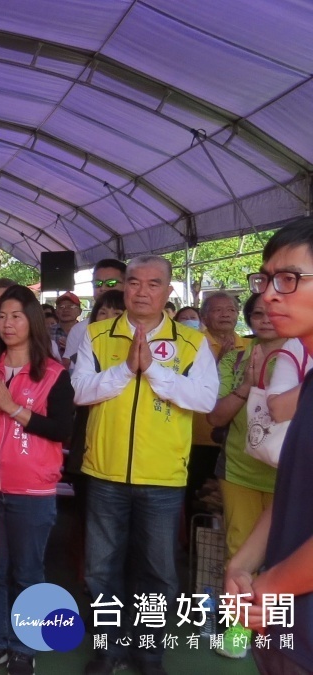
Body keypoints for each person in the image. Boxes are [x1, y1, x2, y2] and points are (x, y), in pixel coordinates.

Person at [73, 255, 218, 675]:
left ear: (168, 292)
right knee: (102, 569)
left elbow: (205, 400)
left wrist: (155, 373)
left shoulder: (192, 343)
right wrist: (125, 370)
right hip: (104, 472)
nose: (141, 291)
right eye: (134, 282)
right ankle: (107, 648)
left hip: (163, 475)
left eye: (153, 284)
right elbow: (81, 390)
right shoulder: (97, 334)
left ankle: (149, 652)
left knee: (158, 572)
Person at [225, 223, 313, 675]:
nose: (269, 296)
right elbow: (295, 491)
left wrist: (268, 584)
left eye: (290, 279)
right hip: (284, 628)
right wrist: (242, 563)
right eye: (265, 279)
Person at [0, 286, 75, 675]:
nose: (7, 323)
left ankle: (24, 647)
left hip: (32, 491)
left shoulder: (53, 374)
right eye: (2, 315)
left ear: (32, 320)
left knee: (29, 572)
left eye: (16, 315)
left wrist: (14, 409)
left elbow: (62, 429)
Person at [207, 294, 281, 562]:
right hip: (238, 470)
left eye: (273, 313)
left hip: (289, 473)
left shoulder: (304, 357)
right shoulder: (235, 359)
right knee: (238, 551)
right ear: (249, 319)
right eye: (258, 314)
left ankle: (275, 605)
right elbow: (215, 418)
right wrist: (247, 385)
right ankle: (238, 605)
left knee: (282, 555)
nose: (266, 320)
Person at [190, 291, 249, 514]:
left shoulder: (249, 346)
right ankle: (193, 547)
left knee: (229, 504)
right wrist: (219, 364)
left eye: (231, 310)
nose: (226, 315)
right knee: (198, 496)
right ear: (204, 317)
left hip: (236, 437)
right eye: (218, 310)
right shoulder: (194, 345)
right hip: (200, 435)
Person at [63, 259, 128, 363]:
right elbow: (71, 370)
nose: (102, 288)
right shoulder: (79, 330)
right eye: (97, 284)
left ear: (127, 285)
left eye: (111, 283)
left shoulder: (142, 325)